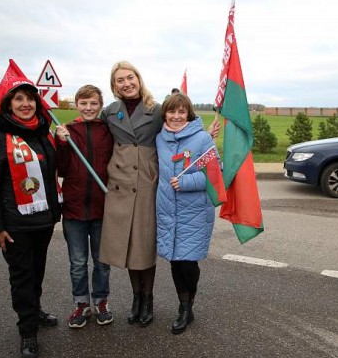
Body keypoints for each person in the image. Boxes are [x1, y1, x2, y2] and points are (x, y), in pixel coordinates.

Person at [99, 61, 220, 327]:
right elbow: (95, 134)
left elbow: (213, 171)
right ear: (114, 85)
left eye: (130, 77)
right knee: (143, 249)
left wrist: (203, 136)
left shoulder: (160, 115)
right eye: (120, 80)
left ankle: (177, 304)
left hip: (176, 202)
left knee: (179, 260)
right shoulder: (120, 117)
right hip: (157, 200)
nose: (126, 83)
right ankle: (141, 299)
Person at [0, 78, 62, 358]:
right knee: (22, 276)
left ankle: (34, 311)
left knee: (36, 272)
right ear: (9, 105)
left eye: (30, 99)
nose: (26, 104)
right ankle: (27, 332)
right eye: (19, 99)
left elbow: (51, 174)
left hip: (43, 221)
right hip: (15, 226)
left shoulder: (42, 133)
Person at [155, 93, 219, 335]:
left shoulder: (202, 139)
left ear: (189, 114)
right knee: (174, 260)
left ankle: (187, 305)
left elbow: (216, 173)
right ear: (165, 114)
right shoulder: (159, 139)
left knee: (188, 262)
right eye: (172, 112)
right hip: (167, 209)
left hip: (194, 212)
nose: (176, 117)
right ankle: (184, 306)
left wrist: (187, 182)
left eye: (182, 112)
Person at [55, 85, 114, 329]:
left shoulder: (107, 131)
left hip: (103, 208)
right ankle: (81, 304)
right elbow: (60, 169)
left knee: (102, 261)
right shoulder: (68, 130)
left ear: (100, 105)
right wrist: (61, 143)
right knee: (78, 262)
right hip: (74, 209)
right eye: (83, 103)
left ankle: (101, 301)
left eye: (93, 104)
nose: (88, 108)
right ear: (76, 105)